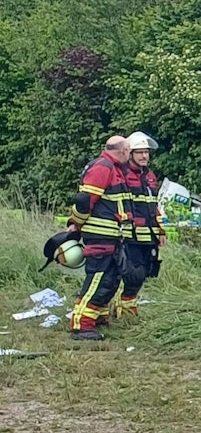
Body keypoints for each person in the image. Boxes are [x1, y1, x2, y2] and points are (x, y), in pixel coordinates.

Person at [68, 135, 132, 341]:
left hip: (113, 237)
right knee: (98, 279)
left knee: (110, 280)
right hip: (101, 235)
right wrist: (75, 224)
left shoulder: (115, 169)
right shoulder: (103, 167)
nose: (130, 156)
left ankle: (97, 319)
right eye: (129, 152)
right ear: (122, 151)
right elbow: (85, 200)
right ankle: (81, 324)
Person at [118, 131, 163, 318]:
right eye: (139, 152)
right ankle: (124, 310)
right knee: (132, 273)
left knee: (145, 272)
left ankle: (129, 307)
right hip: (130, 234)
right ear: (130, 154)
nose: (144, 156)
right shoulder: (122, 174)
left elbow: (154, 206)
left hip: (149, 235)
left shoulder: (150, 176)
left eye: (146, 152)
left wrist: (161, 231)